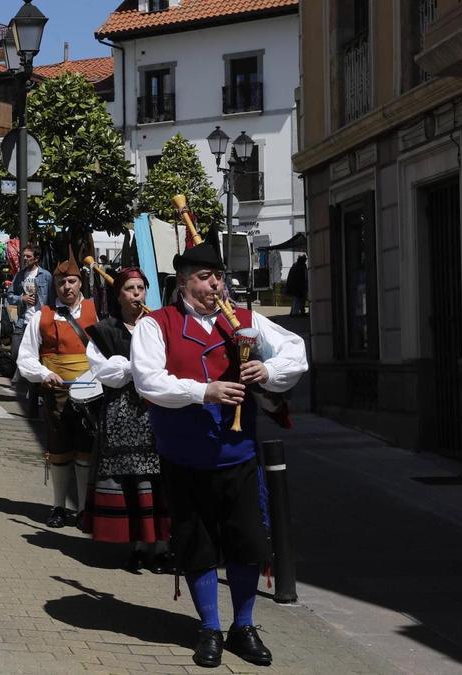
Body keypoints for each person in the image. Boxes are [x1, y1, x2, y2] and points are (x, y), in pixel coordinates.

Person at [130, 240, 308, 668]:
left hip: (237, 454)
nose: (216, 285)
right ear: (184, 283)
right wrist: (203, 391)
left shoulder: (244, 320)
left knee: (247, 542)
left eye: (219, 277)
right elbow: (148, 381)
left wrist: (268, 369)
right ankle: (209, 627)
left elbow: (295, 353)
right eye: (206, 277)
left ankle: (243, 626)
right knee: (197, 543)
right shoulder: (157, 324)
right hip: (184, 456)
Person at [82, 268, 171, 572]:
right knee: (132, 480)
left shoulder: (158, 325)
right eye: (130, 289)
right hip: (123, 414)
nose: (136, 294)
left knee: (160, 478)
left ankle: (162, 546)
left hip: (157, 410)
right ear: (118, 295)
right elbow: (104, 372)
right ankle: (138, 546)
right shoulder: (104, 331)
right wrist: (138, 367)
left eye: (141, 288)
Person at [15, 248, 98, 529]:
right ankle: (59, 507)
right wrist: (44, 373)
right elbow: (26, 357)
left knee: (86, 452)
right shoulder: (42, 316)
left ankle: (84, 510)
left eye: (72, 281)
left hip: (90, 394)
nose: (66, 287)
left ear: (80, 283)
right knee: (59, 451)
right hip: (56, 392)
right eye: (61, 283)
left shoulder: (96, 312)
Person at [6, 245, 53, 360]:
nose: (25, 259)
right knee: (16, 353)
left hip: (40, 322)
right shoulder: (20, 275)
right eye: (23, 256)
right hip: (23, 321)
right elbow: (9, 296)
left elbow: (52, 300)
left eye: (28, 256)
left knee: (39, 356)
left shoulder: (46, 276)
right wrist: (22, 298)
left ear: (36, 258)